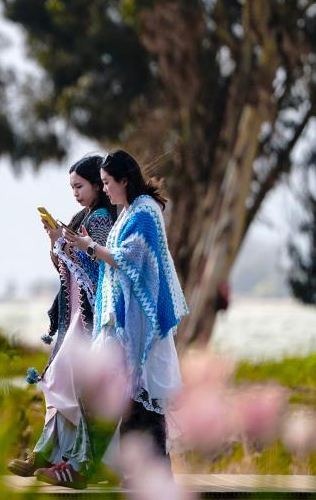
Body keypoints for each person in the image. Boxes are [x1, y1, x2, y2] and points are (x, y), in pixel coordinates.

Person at [69, 150, 189, 469]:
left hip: (144, 322)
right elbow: (114, 265)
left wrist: (90, 247)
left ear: (124, 180)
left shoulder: (145, 211)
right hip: (129, 321)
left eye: (108, 182)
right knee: (134, 405)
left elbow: (129, 259)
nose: (105, 189)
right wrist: (83, 248)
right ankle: (133, 474)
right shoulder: (128, 212)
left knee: (143, 405)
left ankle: (145, 476)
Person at [7, 155, 116, 487]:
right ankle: (51, 454)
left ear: (97, 184)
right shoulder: (82, 217)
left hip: (89, 318)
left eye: (80, 186)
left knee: (62, 381)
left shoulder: (99, 220)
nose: (75, 193)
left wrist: (64, 246)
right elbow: (65, 267)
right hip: (75, 317)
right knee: (58, 381)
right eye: (72, 188)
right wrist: (55, 241)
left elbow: (98, 268)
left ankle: (61, 457)